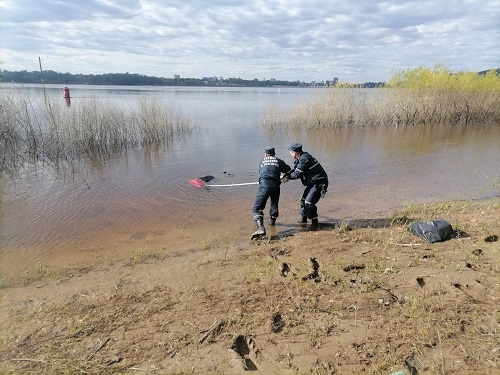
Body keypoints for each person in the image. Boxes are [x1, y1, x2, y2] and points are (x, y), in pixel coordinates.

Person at [284, 143, 328, 230]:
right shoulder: (301, 158)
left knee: (309, 203)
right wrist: (285, 175)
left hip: (319, 182)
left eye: (290, 151)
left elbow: (297, 174)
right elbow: (295, 170)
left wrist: (288, 177)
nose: (289, 153)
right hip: (312, 183)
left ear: (294, 152)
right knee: (303, 201)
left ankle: (315, 224)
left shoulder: (304, 159)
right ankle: (304, 219)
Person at [250, 147, 292, 240]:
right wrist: (285, 177)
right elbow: (289, 171)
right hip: (276, 186)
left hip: (264, 186)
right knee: (274, 204)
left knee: (256, 208)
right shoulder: (279, 161)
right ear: (274, 154)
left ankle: (260, 228)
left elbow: (262, 173)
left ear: (265, 154)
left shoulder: (262, 161)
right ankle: (272, 223)